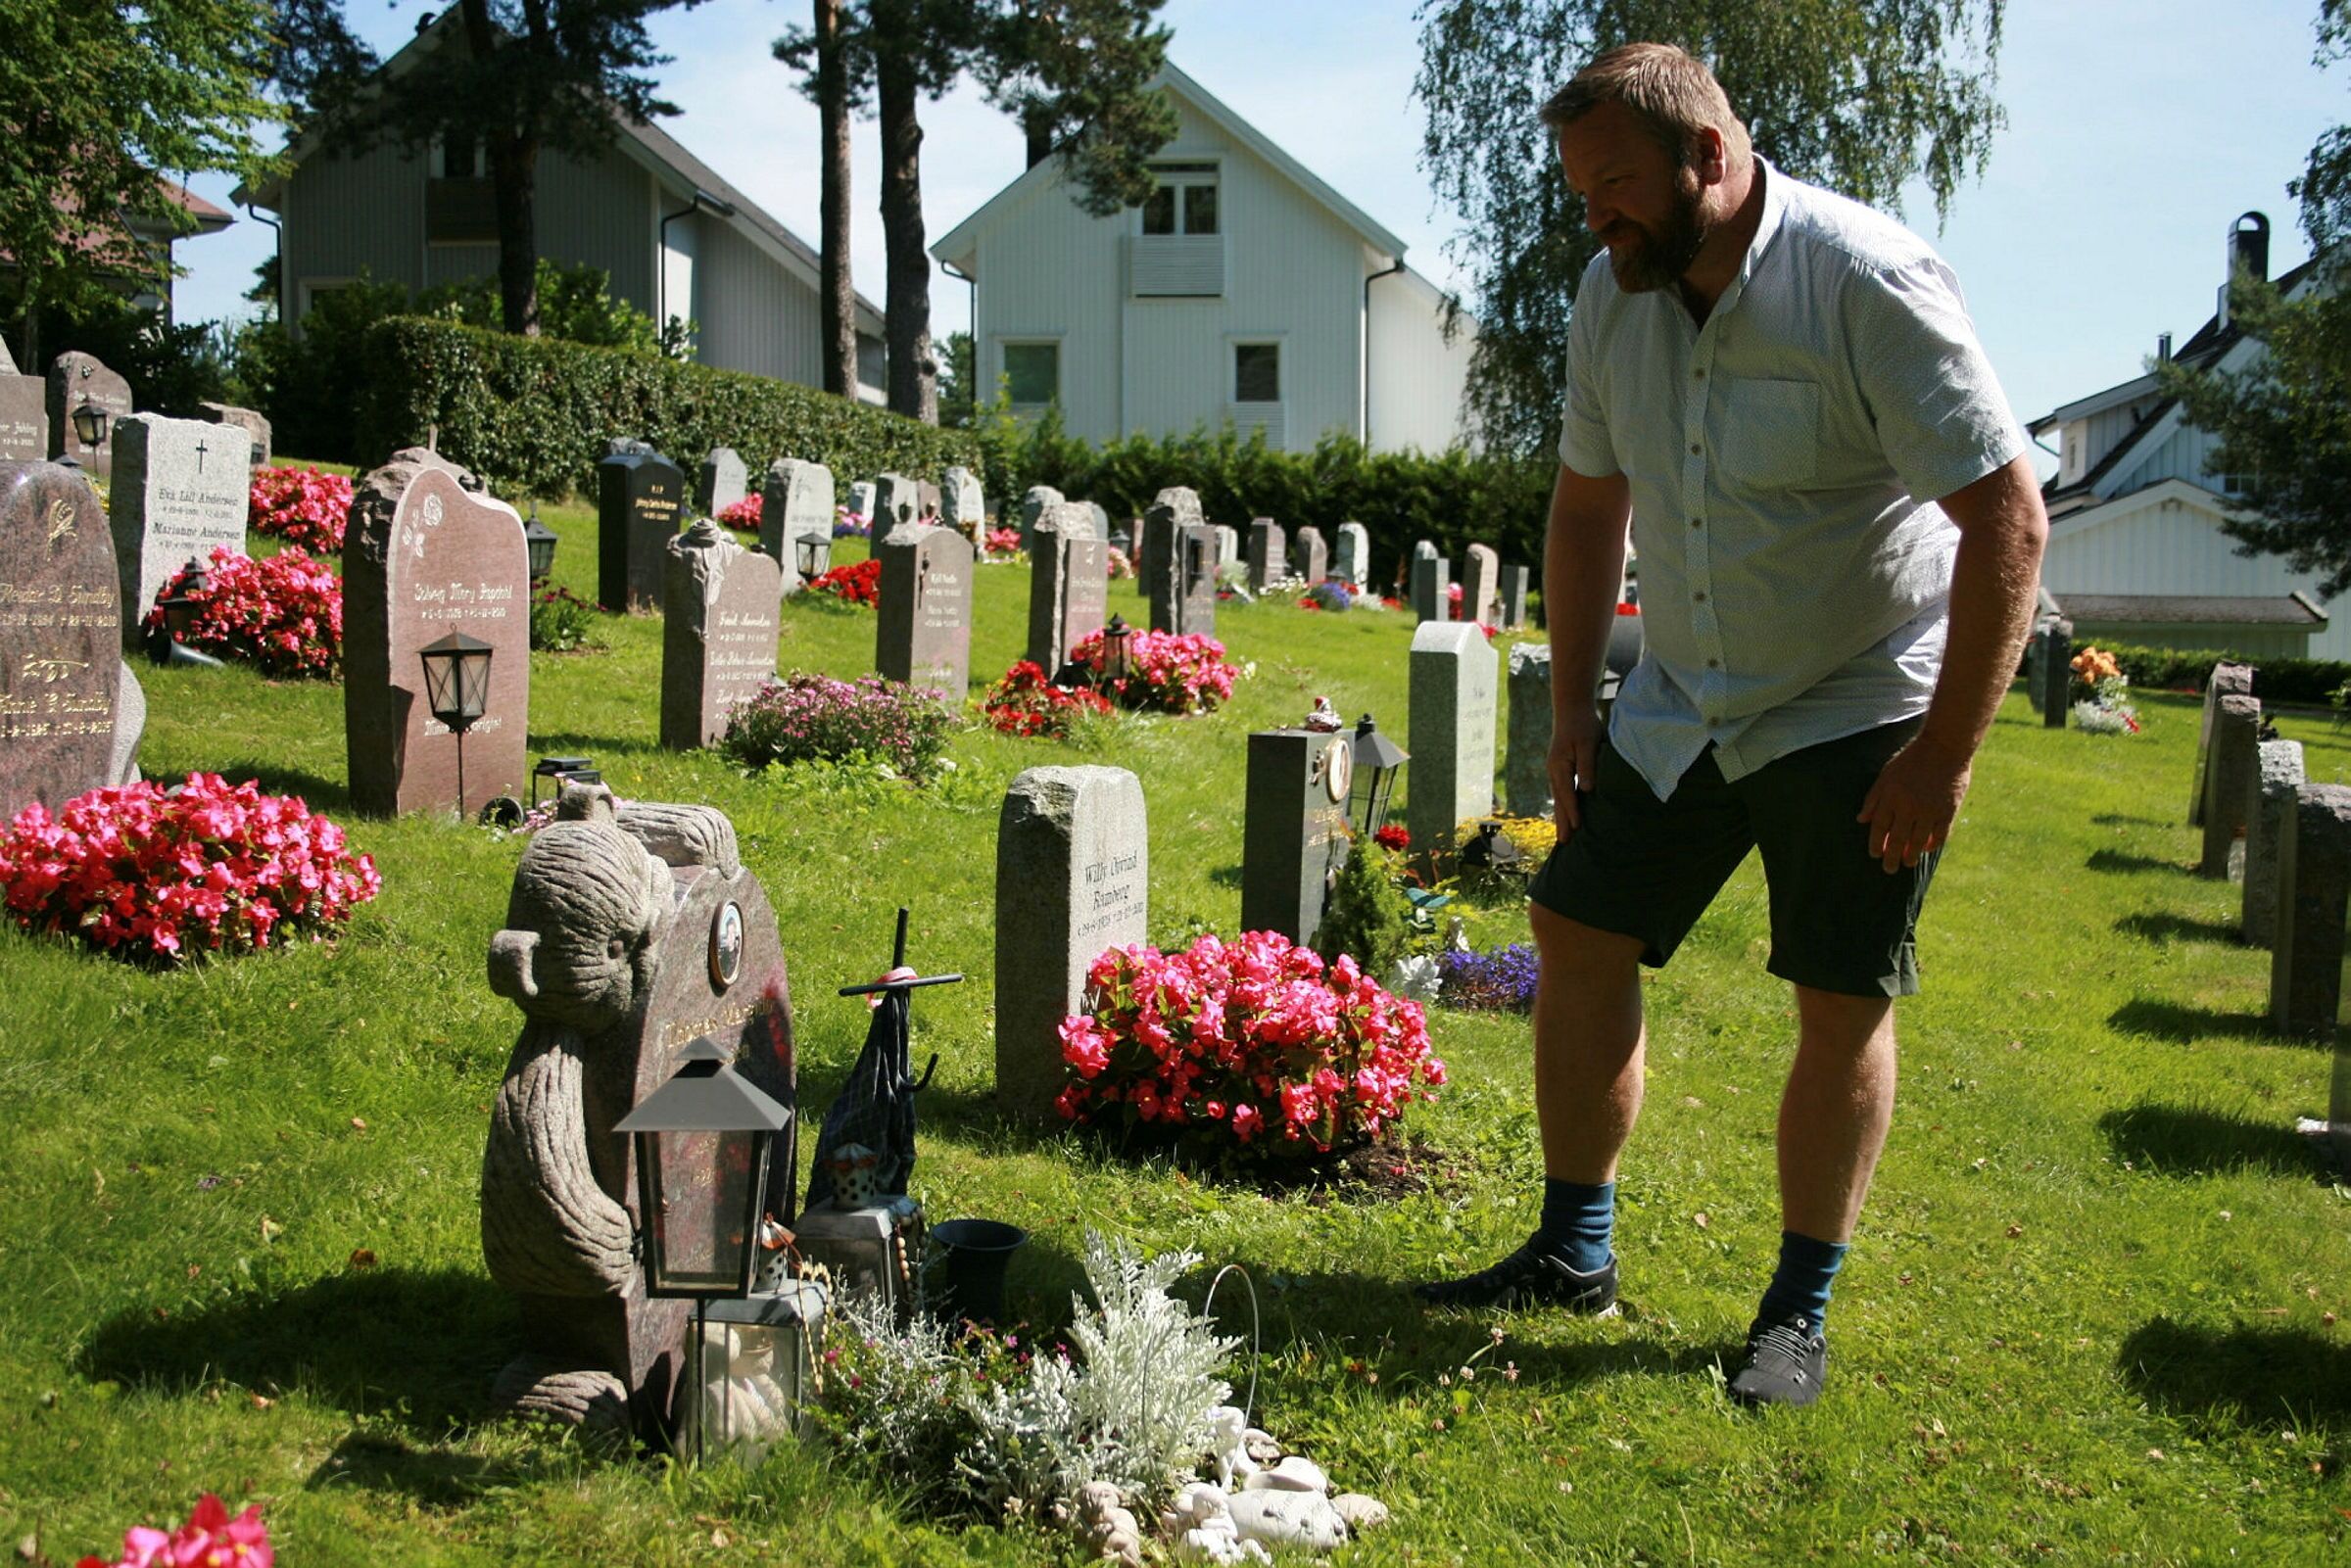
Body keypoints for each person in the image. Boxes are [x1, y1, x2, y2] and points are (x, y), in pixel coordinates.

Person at [1415, 42, 2048, 1409]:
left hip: (1854, 697)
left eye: (1618, 189)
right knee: (1576, 925)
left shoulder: (1865, 279)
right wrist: (1579, 700)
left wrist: (1942, 753)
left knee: (1838, 991)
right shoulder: (1613, 296)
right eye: (1584, 197)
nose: (1599, 221)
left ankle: (1795, 1314)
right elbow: (1590, 510)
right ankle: (1575, 1247)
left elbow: (2008, 516)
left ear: (1709, 154)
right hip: (1685, 695)